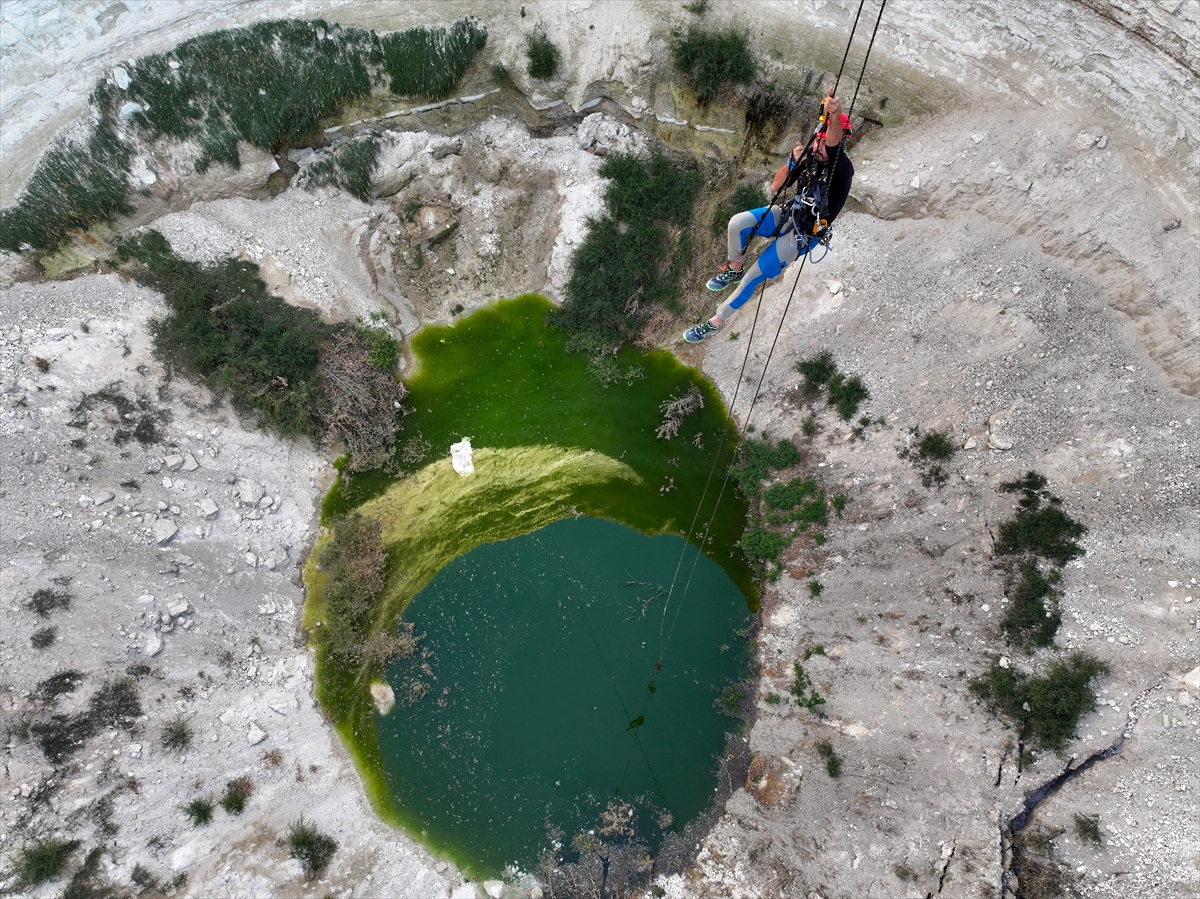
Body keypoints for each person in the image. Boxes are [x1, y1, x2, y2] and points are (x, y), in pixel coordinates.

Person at [683, 94, 855, 343]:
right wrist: (792, 162)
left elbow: (833, 145)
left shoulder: (842, 169)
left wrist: (835, 113)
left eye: (822, 142)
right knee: (737, 223)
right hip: (789, 213)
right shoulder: (812, 157)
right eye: (817, 140)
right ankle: (734, 267)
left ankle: (714, 322)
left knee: (752, 278)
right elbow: (777, 185)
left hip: (803, 234)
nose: (817, 146)